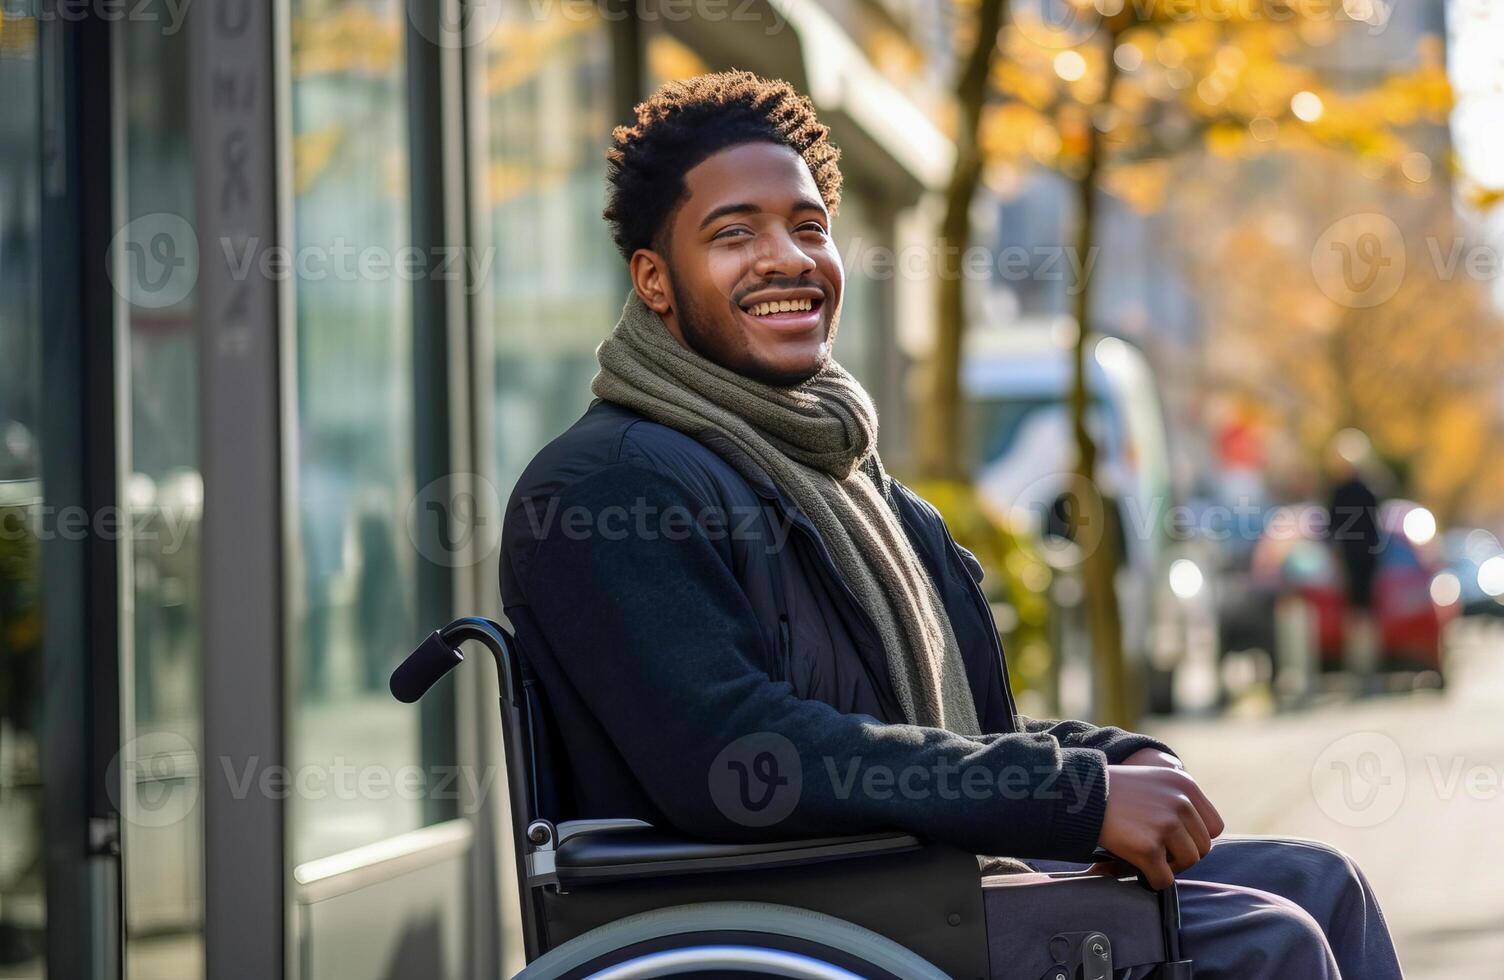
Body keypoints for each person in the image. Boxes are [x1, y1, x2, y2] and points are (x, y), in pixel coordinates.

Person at [497, 73, 1400, 979]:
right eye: (734, 233)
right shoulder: (609, 487)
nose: (787, 257)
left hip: (904, 880)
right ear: (653, 278)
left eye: (808, 227)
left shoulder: (859, 488)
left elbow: (951, 732)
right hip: (786, 915)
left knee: (1325, 883)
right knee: (1269, 944)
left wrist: (1112, 758)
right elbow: (737, 755)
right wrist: (1069, 797)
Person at [1325, 436, 1384, 692]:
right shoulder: (1362, 491)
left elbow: (1332, 531)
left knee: (1359, 614)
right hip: (1358, 561)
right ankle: (1362, 667)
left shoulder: (1349, 492)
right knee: (1359, 615)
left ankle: (1363, 667)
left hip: (1358, 561)